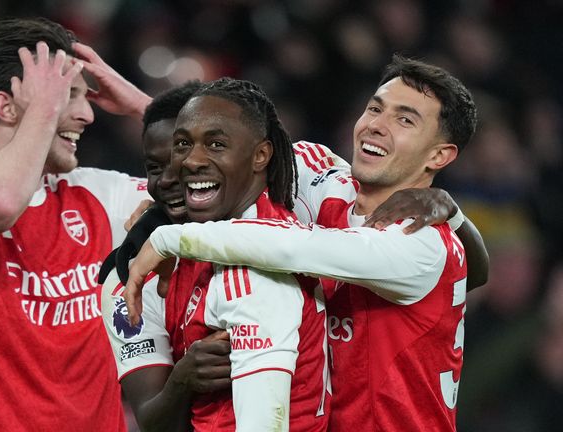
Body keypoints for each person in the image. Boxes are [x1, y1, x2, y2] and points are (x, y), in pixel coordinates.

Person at [125, 55, 483, 431]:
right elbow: (228, 143)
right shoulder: (320, 176)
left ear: (439, 155)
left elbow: (292, 247)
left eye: (405, 120)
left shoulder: (421, 242)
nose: (377, 125)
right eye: (376, 108)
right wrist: (160, 202)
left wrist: (170, 239)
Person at [0, 18, 153, 430]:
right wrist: (43, 111)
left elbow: (232, 185)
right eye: (67, 95)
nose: (87, 114)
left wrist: (147, 109)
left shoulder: (96, 193)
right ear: (7, 107)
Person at [126, 77, 333, 431]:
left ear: (261, 156)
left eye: (216, 144)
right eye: (183, 144)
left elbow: (263, 423)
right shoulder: (217, 237)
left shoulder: (249, 273)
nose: (191, 161)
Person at [100, 81, 236, 432]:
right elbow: (151, 420)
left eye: (181, 160)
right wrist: (182, 379)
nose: (166, 180)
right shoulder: (129, 279)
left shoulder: (287, 222)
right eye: (154, 167)